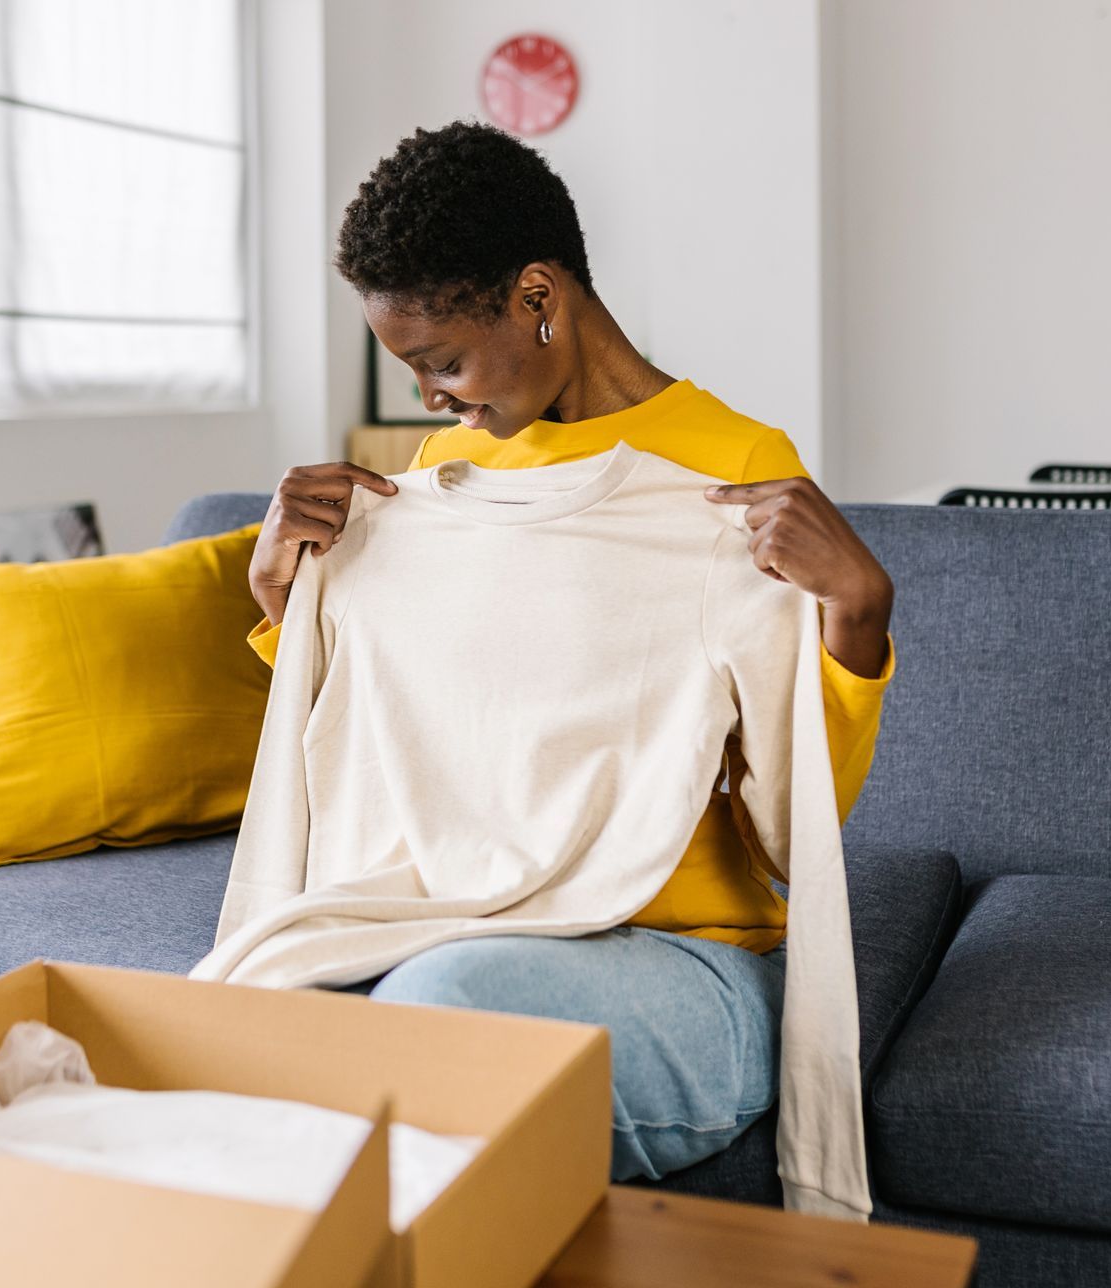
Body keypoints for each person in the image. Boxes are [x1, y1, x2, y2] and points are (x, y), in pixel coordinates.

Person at [240, 119, 897, 1185]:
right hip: (461, 917)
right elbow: (430, 728)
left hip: (688, 963)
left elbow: (790, 829)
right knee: (262, 1001)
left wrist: (855, 620)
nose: (429, 399)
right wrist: (289, 603)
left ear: (538, 299)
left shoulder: (732, 471)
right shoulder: (447, 468)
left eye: (441, 360)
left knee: (434, 1010)